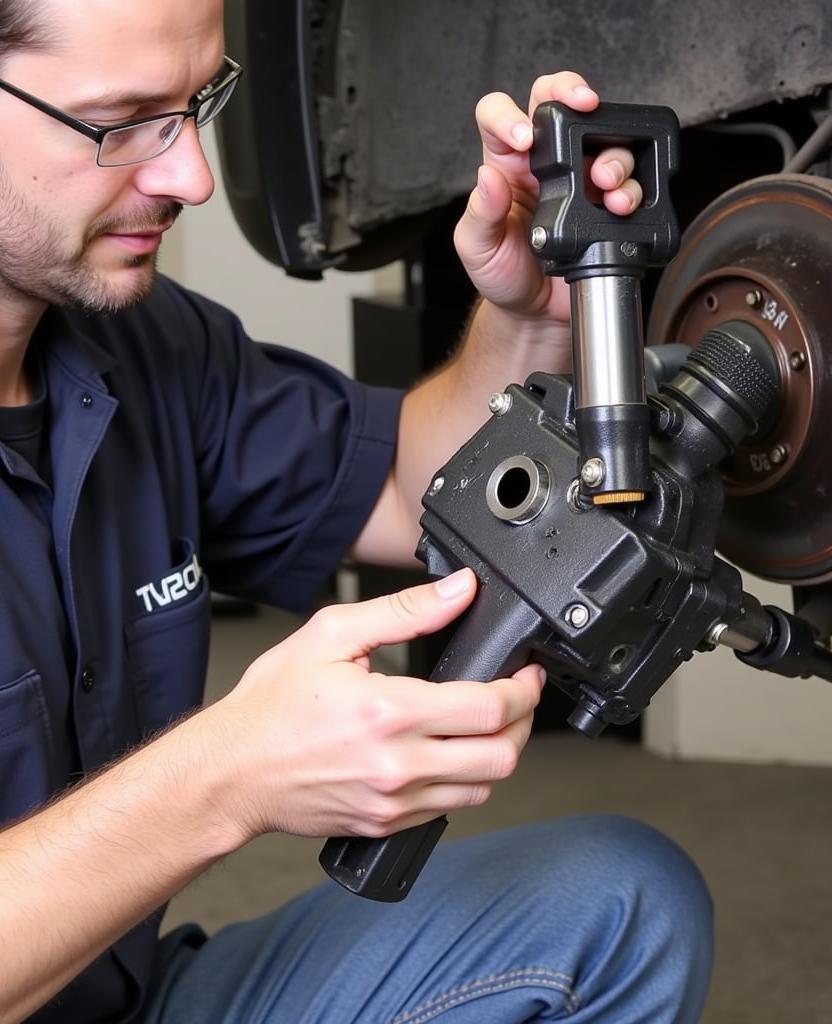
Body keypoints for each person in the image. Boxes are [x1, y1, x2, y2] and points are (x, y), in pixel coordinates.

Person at [0, 1, 713, 1021]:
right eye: (121, 121)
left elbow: (399, 488)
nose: (190, 177)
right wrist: (225, 775)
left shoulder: (149, 345)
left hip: (124, 1000)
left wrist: (521, 316)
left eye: (197, 104)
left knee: (619, 899)